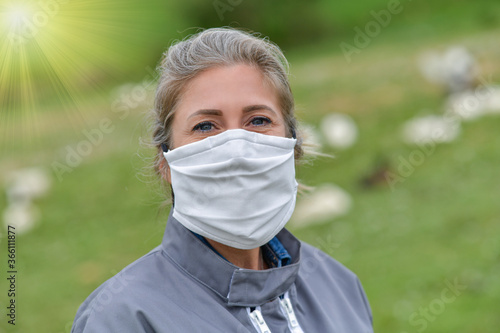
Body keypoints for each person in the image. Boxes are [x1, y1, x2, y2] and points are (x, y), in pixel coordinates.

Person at [71, 27, 373, 333]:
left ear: (292, 145)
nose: (236, 150)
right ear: (166, 161)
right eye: (205, 126)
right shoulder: (123, 319)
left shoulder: (339, 287)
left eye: (258, 120)